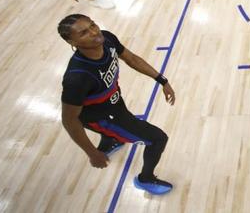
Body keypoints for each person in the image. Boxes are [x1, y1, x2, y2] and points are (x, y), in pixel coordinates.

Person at [58, 14, 176, 194]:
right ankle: (145, 179)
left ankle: (111, 141)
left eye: (93, 25)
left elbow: (132, 59)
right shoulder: (78, 77)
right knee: (158, 139)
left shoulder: (107, 39)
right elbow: (69, 120)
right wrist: (92, 153)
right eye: (83, 33)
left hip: (114, 102)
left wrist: (162, 80)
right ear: (71, 42)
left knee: (121, 126)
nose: (94, 32)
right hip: (101, 118)